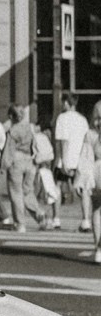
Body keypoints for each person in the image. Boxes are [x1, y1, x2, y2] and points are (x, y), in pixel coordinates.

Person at [2, 104, 46, 233]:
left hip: (17, 160)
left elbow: (9, 150)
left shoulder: (13, 130)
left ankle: (20, 224)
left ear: (11, 116)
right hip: (30, 161)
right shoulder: (29, 128)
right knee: (27, 191)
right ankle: (40, 215)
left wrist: (3, 166)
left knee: (16, 193)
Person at [55, 93, 92, 232]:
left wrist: (63, 161)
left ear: (66, 103)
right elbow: (86, 140)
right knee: (83, 190)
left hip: (65, 159)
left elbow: (63, 141)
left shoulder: (62, 118)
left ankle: (56, 219)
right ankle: (86, 220)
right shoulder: (82, 119)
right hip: (80, 159)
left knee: (57, 187)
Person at [73, 102, 101, 265]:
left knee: (97, 209)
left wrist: (81, 180)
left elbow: (85, 159)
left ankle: (99, 249)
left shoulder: (90, 134)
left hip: (97, 171)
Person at [32, 121, 60, 230]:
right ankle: (53, 218)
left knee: (42, 195)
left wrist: (36, 161)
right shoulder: (44, 137)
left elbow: (40, 156)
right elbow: (50, 155)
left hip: (40, 168)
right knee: (50, 193)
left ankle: (45, 219)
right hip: (46, 168)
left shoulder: (37, 137)